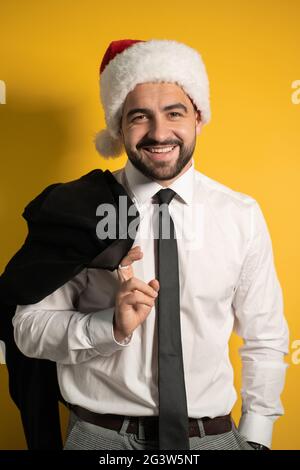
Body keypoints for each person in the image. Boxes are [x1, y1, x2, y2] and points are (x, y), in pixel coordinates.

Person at [12, 38, 289, 451]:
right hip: (100, 439)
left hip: (213, 439)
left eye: (174, 113)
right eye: (139, 116)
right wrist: (108, 326)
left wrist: (257, 435)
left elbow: (264, 336)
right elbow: (27, 329)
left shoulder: (240, 215)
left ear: (198, 117)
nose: (159, 133)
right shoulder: (76, 210)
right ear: (117, 126)